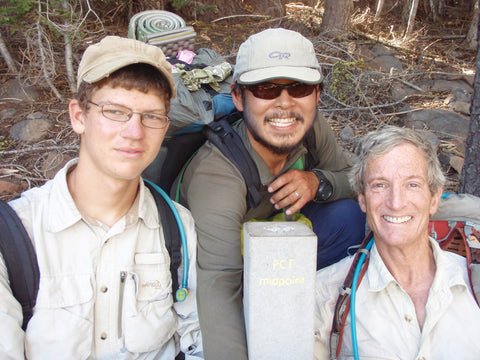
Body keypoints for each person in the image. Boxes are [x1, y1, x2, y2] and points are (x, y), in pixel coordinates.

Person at [0, 36, 203, 359]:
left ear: (165, 128)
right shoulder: (14, 235)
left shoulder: (177, 227)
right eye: (115, 111)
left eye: (151, 116)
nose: (134, 132)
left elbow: (195, 336)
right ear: (78, 116)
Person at [177, 28, 366, 359]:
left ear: (317, 95)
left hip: (266, 239)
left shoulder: (307, 124)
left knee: (350, 216)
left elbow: (355, 179)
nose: (285, 104)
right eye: (266, 89)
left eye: (300, 87)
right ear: (238, 96)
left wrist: (316, 182)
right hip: (218, 264)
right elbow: (219, 286)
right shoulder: (217, 175)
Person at [314, 126, 480, 359]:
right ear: (362, 199)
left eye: (412, 184)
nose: (396, 202)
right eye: (380, 185)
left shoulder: (473, 283)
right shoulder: (324, 296)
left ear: (434, 198)